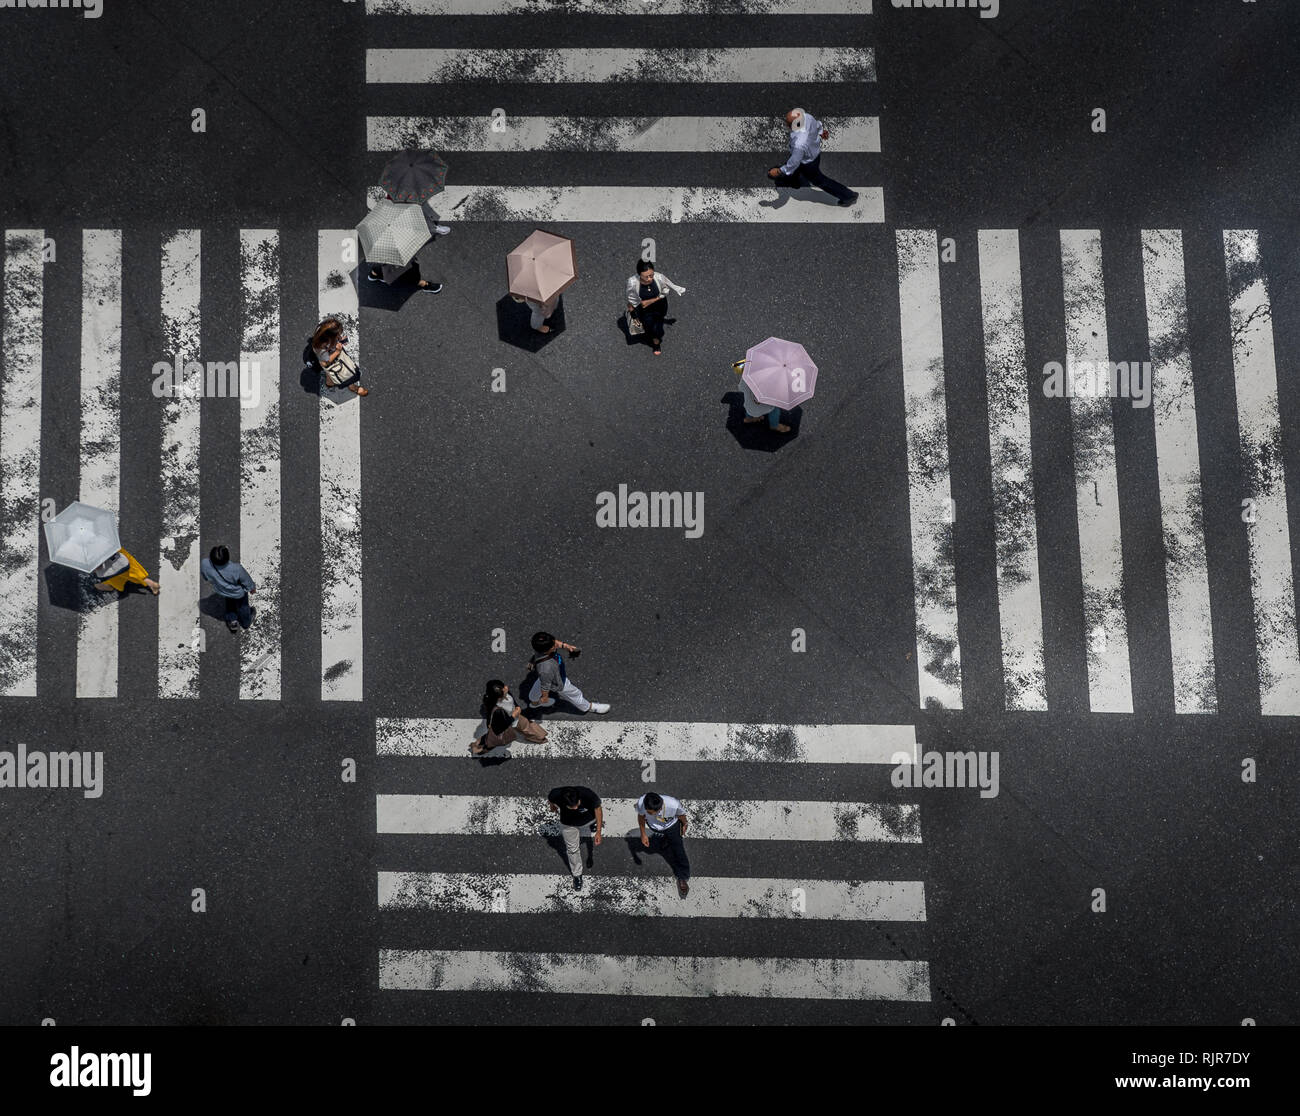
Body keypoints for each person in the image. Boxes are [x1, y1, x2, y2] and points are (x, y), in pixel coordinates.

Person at [766, 107, 858, 207]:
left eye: (787, 123)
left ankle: (848, 196)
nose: (785, 124)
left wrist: (780, 171)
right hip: (813, 153)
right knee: (798, 169)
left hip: (808, 163)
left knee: (820, 181)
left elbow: (795, 161)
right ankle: (794, 182)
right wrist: (821, 132)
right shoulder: (807, 117)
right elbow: (817, 124)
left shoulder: (799, 143)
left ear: (794, 125)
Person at [526, 631, 610, 714]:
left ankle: (534, 702)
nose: (556, 645)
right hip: (558, 681)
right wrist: (545, 697)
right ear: (545, 651)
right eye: (553, 645)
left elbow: (554, 643)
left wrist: (565, 646)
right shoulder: (546, 668)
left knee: (536, 689)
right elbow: (545, 686)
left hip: (545, 678)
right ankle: (588, 707)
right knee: (574, 694)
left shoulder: (540, 648)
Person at [471, 679, 548, 756]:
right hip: (512, 721)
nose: (506, 687)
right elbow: (504, 724)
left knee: (525, 726)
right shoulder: (498, 709)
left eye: (504, 686)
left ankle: (480, 744)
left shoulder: (505, 694)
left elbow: (512, 700)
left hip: (514, 717)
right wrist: (514, 715)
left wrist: (517, 706)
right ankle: (539, 738)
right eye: (503, 688)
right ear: (498, 697)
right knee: (526, 728)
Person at [547, 785, 603, 890]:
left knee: (595, 820)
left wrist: (598, 832)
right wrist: (552, 806)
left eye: (577, 804)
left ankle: (593, 825)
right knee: (572, 850)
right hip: (569, 824)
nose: (576, 808)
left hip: (589, 819)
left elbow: (598, 809)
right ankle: (577, 875)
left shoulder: (588, 794)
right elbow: (550, 800)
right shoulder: (555, 795)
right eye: (571, 807)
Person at [626, 260, 686, 355]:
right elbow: (632, 299)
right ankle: (656, 343)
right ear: (639, 275)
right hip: (645, 312)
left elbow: (665, 290)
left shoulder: (659, 277)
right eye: (646, 276)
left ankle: (654, 338)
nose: (650, 279)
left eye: (651, 275)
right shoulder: (633, 283)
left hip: (660, 306)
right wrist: (634, 315)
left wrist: (652, 300)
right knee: (654, 329)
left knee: (659, 322)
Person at [636, 792, 691, 897]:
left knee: (679, 850)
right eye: (650, 813)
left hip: (672, 827)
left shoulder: (673, 804)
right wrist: (643, 834)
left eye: (654, 812)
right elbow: (641, 817)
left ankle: (683, 876)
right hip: (655, 827)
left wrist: (685, 824)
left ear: (661, 807)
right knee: (662, 836)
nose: (653, 814)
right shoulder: (641, 803)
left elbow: (681, 815)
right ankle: (666, 839)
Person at [199, 544, 256, 633]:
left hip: (221, 590)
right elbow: (246, 580)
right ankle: (246, 622)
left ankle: (232, 621)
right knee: (243, 606)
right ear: (227, 558)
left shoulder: (205, 563)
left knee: (229, 604)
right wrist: (252, 588)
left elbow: (205, 576)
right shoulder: (236, 568)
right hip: (238, 593)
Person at [311, 318, 368, 397]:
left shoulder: (322, 330)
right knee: (337, 370)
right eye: (337, 335)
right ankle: (351, 387)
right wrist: (337, 351)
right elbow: (324, 363)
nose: (339, 336)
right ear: (330, 337)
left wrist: (339, 340)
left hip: (329, 353)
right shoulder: (320, 347)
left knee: (330, 373)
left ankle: (329, 384)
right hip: (329, 358)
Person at [734, 359, 790, 433]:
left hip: (750, 408)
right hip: (766, 409)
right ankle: (774, 425)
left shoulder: (747, 378)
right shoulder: (773, 386)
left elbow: (741, 388)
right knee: (775, 409)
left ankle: (749, 419)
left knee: (749, 404)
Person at [91, 549, 159, 595]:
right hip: (120, 557)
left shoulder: (89, 552)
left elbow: (98, 567)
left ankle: (107, 586)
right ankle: (151, 584)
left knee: (114, 578)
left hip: (110, 567)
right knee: (134, 573)